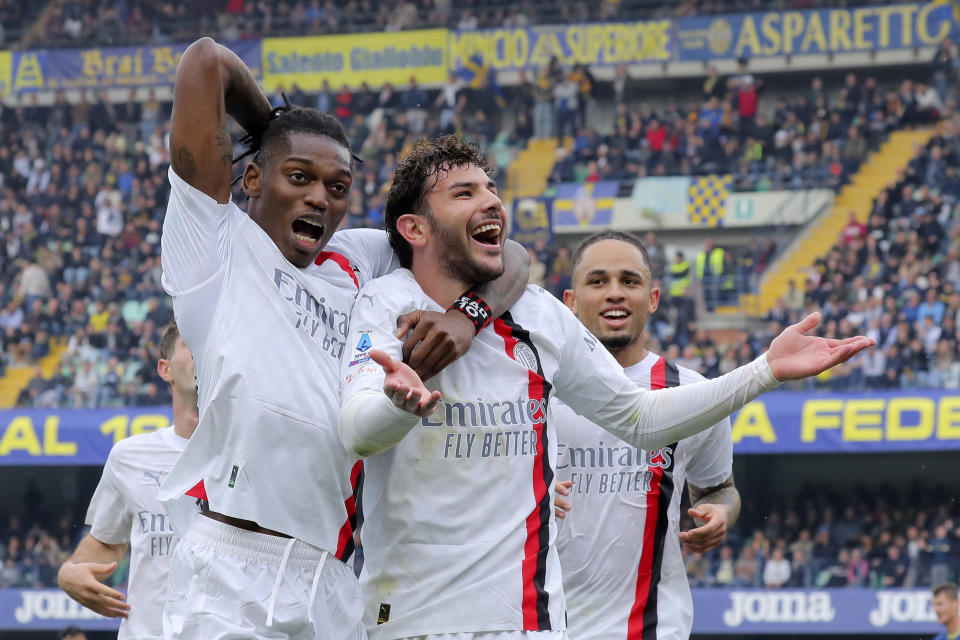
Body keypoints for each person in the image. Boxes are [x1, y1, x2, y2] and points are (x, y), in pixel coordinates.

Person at [337, 135, 873, 639]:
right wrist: (398, 406)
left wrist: (765, 370)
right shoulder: (385, 303)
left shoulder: (538, 313)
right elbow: (358, 430)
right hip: (408, 620)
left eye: (492, 189)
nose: (491, 202)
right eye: (464, 192)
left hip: (527, 621)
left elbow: (638, 418)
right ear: (415, 229)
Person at [157, 38, 527, 640]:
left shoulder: (357, 259)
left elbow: (507, 253)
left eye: (337, 185)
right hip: (228, 568)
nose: (318, 197)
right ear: (251, 177)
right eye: (298, 176)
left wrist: (467, 317)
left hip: (333, 581)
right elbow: (205, 61)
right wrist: (275, 127)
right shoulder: (216, 248)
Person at [551, 231, 740, 640]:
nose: (615, 293)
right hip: (543, 626)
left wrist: (721, 511)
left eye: (630, 281)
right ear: (570, 301)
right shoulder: (536, 392)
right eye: (598, 281)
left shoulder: (692, 394)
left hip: (652, 628)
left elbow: (718, 488)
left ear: (652, 298)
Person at [58, 322, 198, 639]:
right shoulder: (129, 457)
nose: (204, 351)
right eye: (191, 344)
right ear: (165, 370)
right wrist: (70, 572)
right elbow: (106, 541)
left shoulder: (249, 453)